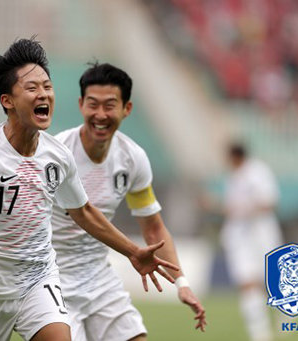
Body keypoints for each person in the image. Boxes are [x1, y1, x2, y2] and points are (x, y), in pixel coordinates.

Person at [0, 38, 178, 341]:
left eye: (47, 86)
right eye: (32, 88)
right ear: (7, 100)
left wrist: (132, 252)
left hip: (37, 281)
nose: (44, 94)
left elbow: (85, 212)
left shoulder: (57, 155)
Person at [51, 62, 206, 341]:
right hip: (53, 280)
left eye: (110, 105)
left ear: (127, 109)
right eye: (93, 105)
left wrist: (182, 283)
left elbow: (154, 228)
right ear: (80, 105)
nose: (100, 114)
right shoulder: (57, 154)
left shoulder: (132, 158)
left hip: (99, 278)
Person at [219, 142, 283, 341]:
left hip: (261, 234)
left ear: (235, 156)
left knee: (272, 282)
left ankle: (285, 316)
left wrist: (244, 209)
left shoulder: (258, 172)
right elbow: (232, 208)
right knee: (247, 282)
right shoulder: (232, 178)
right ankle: (260, 332)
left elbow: (269, 203)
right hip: (240, 237)